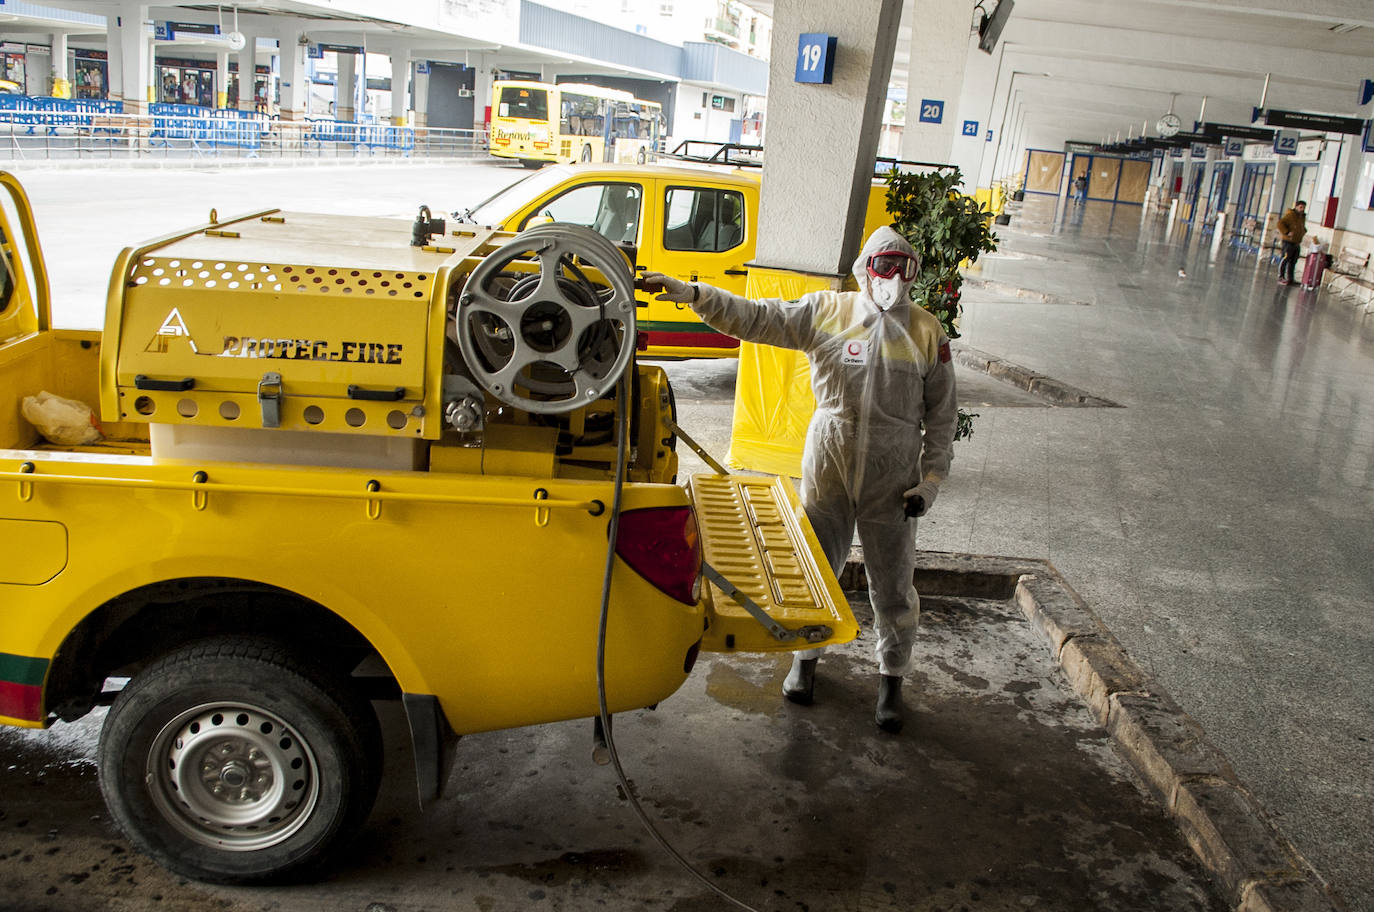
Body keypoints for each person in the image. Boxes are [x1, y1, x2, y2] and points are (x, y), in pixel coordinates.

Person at [641, 225, 957, 734]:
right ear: (865, 269)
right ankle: (805, 662)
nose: (892, 278)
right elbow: (757, 317)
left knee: (893, 584)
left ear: (913, 273)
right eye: (884, 266)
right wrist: (693, 295)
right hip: (830, 458)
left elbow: (942, 417)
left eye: (903, 268)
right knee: (816, 571)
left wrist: (930, 482)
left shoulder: (926, 332)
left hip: (892, 475)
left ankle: (891, 680)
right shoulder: (827, 311)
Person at [1276, 200, 1307, 286]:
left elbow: (1301, 227)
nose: (1302, 209)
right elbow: (1280, 223)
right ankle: (1281, 277)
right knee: (1285, 258)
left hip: (1296, 242)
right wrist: (1287, 232)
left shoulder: (1302, 217)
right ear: (1296, 207)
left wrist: (1303, 231)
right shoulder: (1290, 215)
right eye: (1301, 207)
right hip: (1288, 242)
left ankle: (1290, 278)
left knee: (1293, 261)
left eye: (1304, 208)